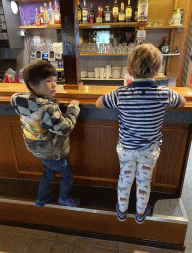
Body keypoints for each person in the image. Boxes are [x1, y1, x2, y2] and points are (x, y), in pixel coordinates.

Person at [95, 43, 186, 224]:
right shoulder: (163, 93)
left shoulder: (121, 93)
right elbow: (182, 101)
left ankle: (121, 212)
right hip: (149, 150)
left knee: (125, 179)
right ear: (158, 69)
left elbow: (99, 103)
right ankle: (140, 214)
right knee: (144, 183)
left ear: (130, 69)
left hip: (127, 148)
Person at [11, 60, 81, 208]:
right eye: (48, 81)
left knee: (48, 172)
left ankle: (41, 200)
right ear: (32, 84)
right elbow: (65, 127)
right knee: (67, 174)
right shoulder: (47, 109)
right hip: (53, 151)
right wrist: (73, 108)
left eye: (55, 80)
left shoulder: (22, 101)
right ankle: (63, 198)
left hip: (37, 148)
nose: (55, 85)